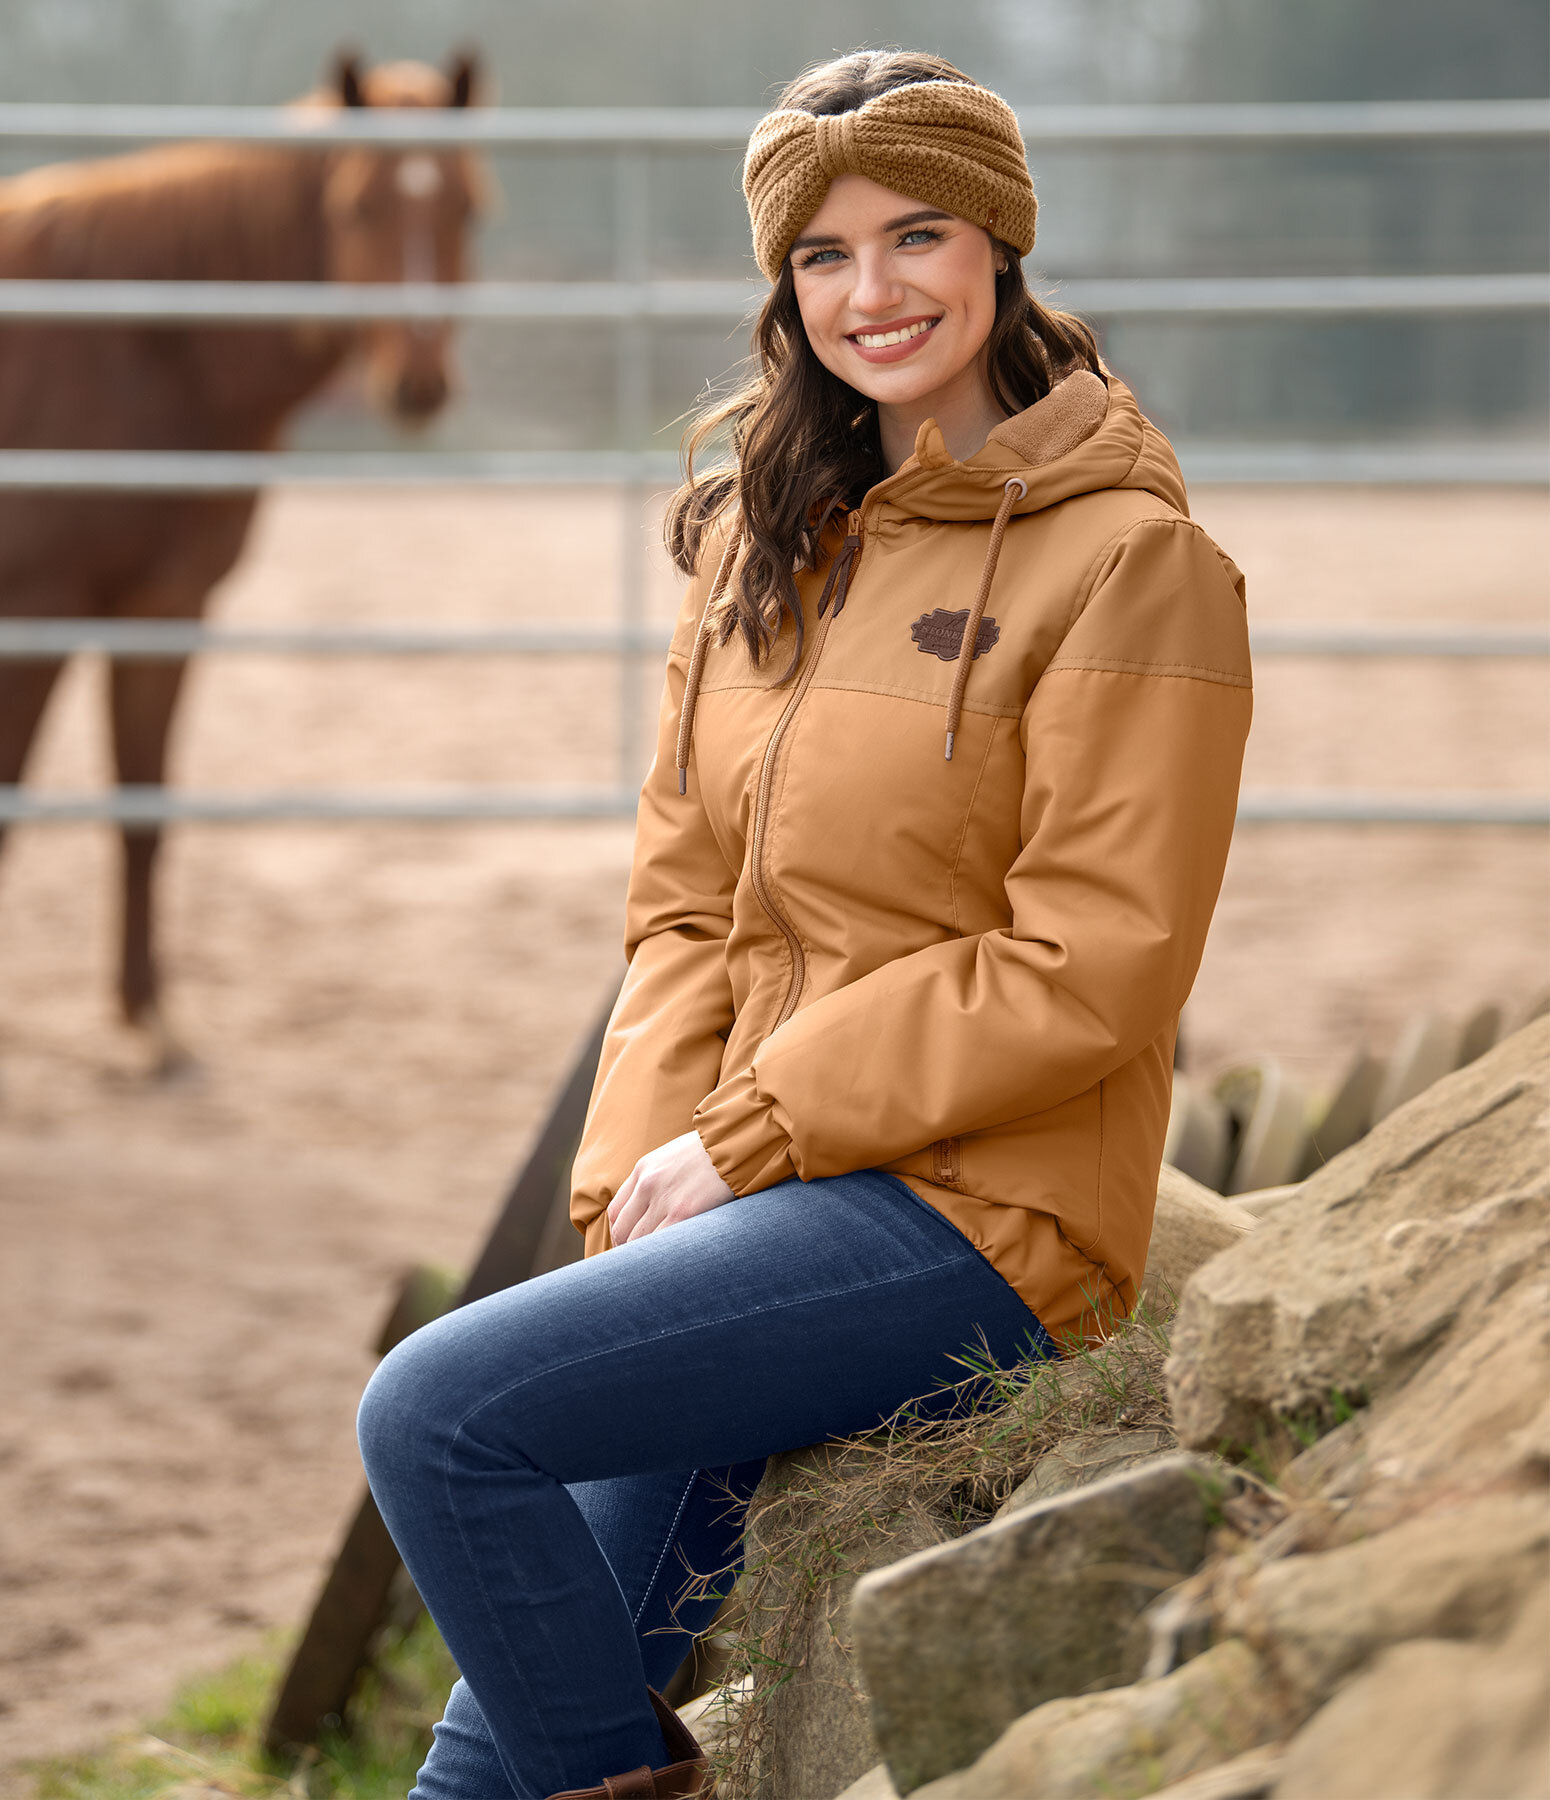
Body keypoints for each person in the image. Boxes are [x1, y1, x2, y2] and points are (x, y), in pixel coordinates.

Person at [358, 48, 1252, 1800]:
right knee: (489, 1769)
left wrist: (757, 1130)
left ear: (998, 244)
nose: (872, 292)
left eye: (915, 235)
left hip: (977, 1206)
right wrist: (638, 1182)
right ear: (783, 288)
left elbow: (1097, 959)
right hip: (760, 1205)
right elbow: (680, 908)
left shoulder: (1131, 560)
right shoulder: (763, 546)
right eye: (822, 255)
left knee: (438, 1418)